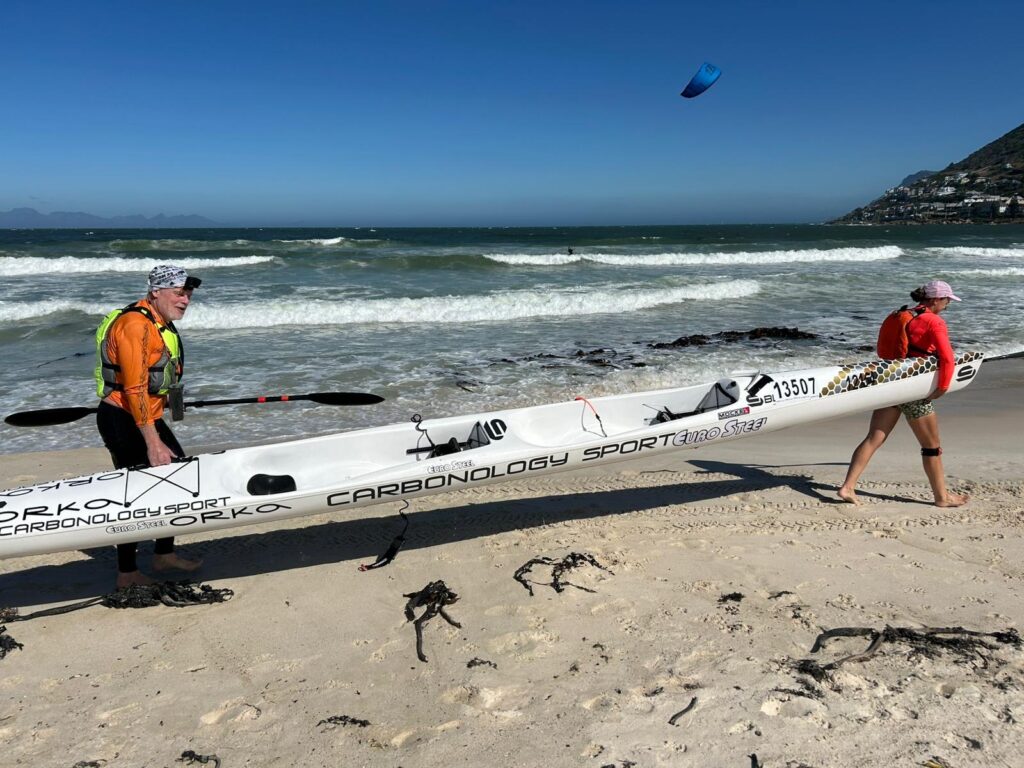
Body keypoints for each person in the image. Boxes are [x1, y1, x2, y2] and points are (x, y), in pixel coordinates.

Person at [96, 264, 205, 587]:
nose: (185, 299)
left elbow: (155, 378)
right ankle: (127, 573)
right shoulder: (134, 325)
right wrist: (153, 442)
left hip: (146, 415)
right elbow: (133, 388)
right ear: (156, 291)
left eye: (188, 294)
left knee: (175, 479)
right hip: (124, 418)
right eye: (178, 292)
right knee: (136, 494)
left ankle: (163, 554)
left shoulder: (159, 321)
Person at [838, 279, 969, 508]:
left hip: (892, 384)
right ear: (936, 299)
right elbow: (947, 358)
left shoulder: (903, 315)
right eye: (947, 300)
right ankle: (942, 497)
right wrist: (942, 388)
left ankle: (847, 486)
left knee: (873, 438)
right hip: (914, 390)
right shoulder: (934, 321)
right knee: (932, 447)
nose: (948, 304)